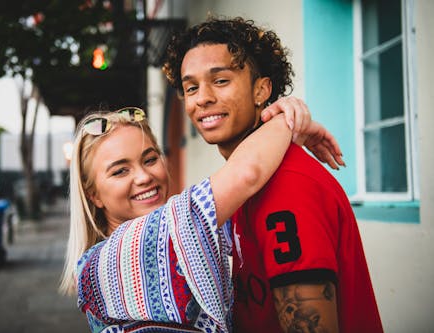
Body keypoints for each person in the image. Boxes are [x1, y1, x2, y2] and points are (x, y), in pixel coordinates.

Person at [163, 16, 383, 333]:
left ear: (261, 90)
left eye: (220, 80)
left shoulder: (288, 185)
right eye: (191, 87)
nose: (203, 97)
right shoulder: (239, 183)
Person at [59, 105, 342, 332]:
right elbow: (247, 174)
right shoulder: (117, 255)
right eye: (120, 171)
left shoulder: (177, 231)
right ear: (93, 194)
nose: (145, 177)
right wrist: (287, 120)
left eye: (150, 159)